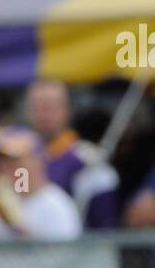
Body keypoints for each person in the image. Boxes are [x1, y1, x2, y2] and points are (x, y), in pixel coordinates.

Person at [23, 79, 119, 228]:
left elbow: (104, 225)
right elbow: (18, 202)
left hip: (75, 247)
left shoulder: (89, 159)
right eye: (36, 107)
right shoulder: (18, 159)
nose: (43, 115)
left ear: (67, 110)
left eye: (49, 107)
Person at [0, 126, 82, 241]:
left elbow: (62, 256)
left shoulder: (56, 206)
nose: (5, 167)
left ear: (38, 162)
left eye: (14, 161)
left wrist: (17, 228)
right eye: (2, 160)